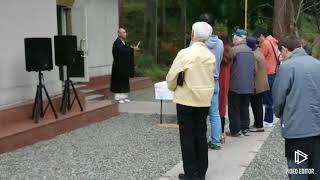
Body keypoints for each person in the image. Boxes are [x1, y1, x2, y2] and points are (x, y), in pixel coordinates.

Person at [166, 21, 215, 180]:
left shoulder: (185, 53)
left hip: (186, 99)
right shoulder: (210, 55)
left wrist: (172, 87)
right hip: (204, 100)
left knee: (187, 137)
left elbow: (172, 77)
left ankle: (190, 173)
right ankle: (201, 171)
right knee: (200, 135)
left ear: (193, 34)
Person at [273, 36, 320, 180]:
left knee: (299, 170)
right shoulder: (317, 64)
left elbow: (279, 98)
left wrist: (279, 113)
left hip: (297, 131)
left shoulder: (287, 67)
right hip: (317, 128)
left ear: (285, 50)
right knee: (316, 170)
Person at [199, 13, 224, 150]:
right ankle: (216, 141)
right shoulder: (220, 43)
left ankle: (200, 140)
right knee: (214, 113)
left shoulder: (198, 43)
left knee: (200, 114)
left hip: (202, 82)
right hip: (215, 80)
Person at [227, 29, 255, 137]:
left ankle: (235, 130)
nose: (233, 40)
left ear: (236, 38)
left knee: (234, 107)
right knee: (244, 107)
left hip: (235, 84)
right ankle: (245, 128)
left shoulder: (233, 50)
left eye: (234, 38)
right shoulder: (250, 51)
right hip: (248, 85)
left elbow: (229, 67)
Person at [254, 28, 279, 128]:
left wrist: (257, 48)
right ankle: (269, 119)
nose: (258, 41)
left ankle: (268, 120)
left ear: (261, 36)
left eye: (258, 38)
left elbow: (259, 56)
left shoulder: (266, 43)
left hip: (268, 73)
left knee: (268, 99)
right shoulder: (273, 42)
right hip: (274, 72)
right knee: (270, 98)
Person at [246, 37, 269, 132]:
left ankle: (259, 125)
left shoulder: (253, 55)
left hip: (257, 84)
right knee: (258, 104)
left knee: (256, 105)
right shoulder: (258, 51)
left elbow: (254, 70)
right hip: (263, 82)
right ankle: (257, 123)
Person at [110, 28, 140, 104]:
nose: (125, 34)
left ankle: (124, 96)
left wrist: (132, 50)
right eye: (123, 32)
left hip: (124, 66)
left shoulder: (125, 43)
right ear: (119, 34)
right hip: (118, 66)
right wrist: (132, 49)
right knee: (119, 81)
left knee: (125, 81)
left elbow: (127, 49)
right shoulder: (117, 43)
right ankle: (118, 97)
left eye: (125, 32)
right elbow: (122, 51)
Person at [218, 33, 232, 141]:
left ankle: (216, 135)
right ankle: (221, 133)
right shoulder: (229, 52)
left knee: (214, 109)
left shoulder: (218, 52)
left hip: (218, 80)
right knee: (222, 107)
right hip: (226, 81)